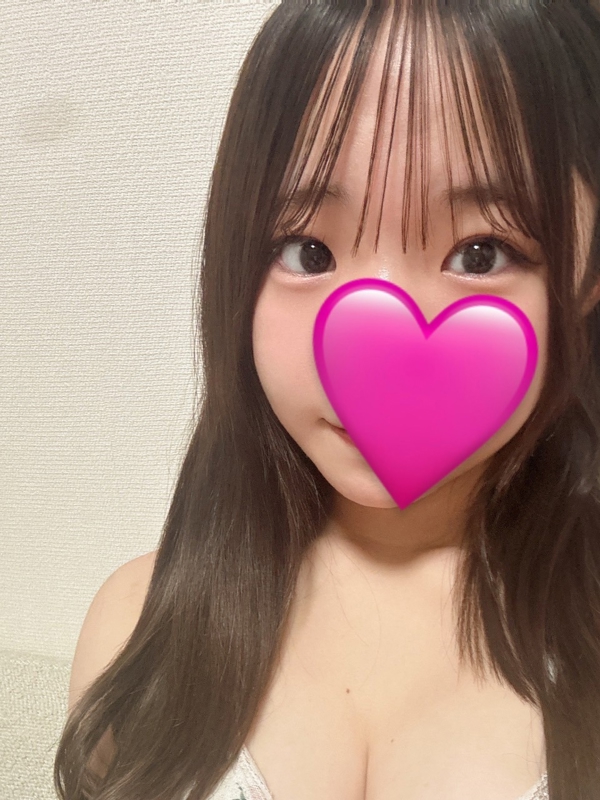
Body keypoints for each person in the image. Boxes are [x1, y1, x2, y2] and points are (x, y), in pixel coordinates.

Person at [54, 2, 600, 799]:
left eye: (482, 253)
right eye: (309, 250)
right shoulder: (137, 632)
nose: (376, 346)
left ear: (587, 274)